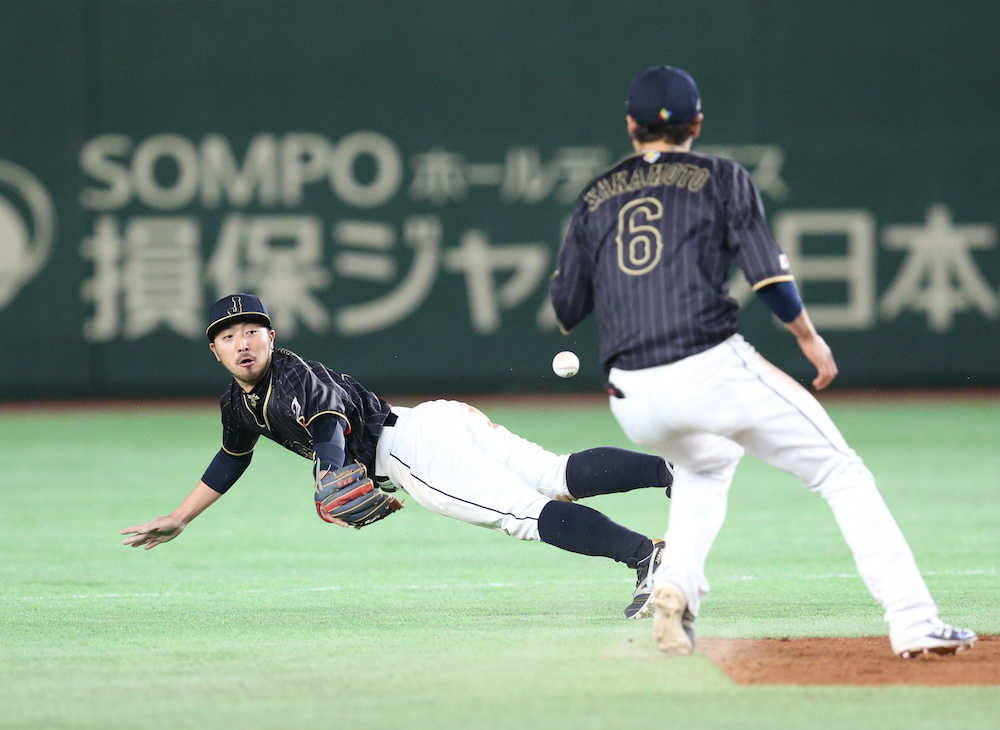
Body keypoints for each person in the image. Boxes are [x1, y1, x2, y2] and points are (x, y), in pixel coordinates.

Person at [548, 65, 977, 658]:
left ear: (630, 126)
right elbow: (769, 277)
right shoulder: (721, 177)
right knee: (840, 472)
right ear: (696, 123)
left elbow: (566, 307)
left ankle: (675, 587)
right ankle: (914, 621)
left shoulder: (594, 197)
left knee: (706, 465)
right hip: (708, 367)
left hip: (632, 397)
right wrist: (807, 336)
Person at [121, 293, 674, 619]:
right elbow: (231, 458)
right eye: (228, 336)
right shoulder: (238, 403)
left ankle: (644, 557)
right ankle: (671, 469)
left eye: (252, 331)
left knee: (523, 514)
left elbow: (330, 423)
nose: (242, 343)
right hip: (431, 419)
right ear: (214, 349)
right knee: (553, 475)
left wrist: (332, 468)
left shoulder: (295, 375)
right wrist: (180, 517)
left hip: (411, 451)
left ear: (271, 336)